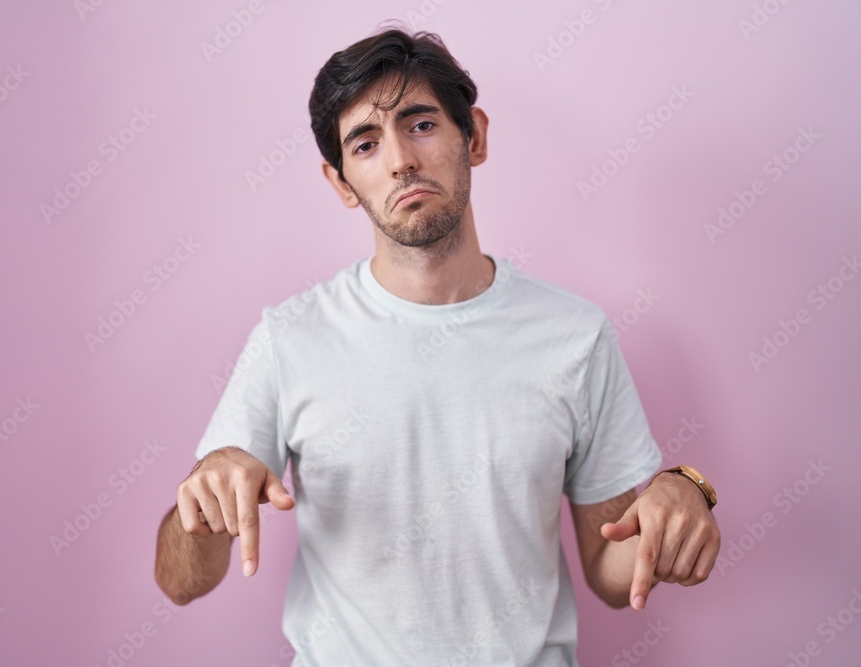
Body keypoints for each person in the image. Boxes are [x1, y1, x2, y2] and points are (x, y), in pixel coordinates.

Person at [154, 27, 721, 666]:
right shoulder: (289, 339)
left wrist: (679, 495)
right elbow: (181, 582)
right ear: (342, 182)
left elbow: (612, 572)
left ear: (473, 136)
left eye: (420, 124)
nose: (399, 159)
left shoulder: (576, 336)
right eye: (365, 144)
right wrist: (202, 501)